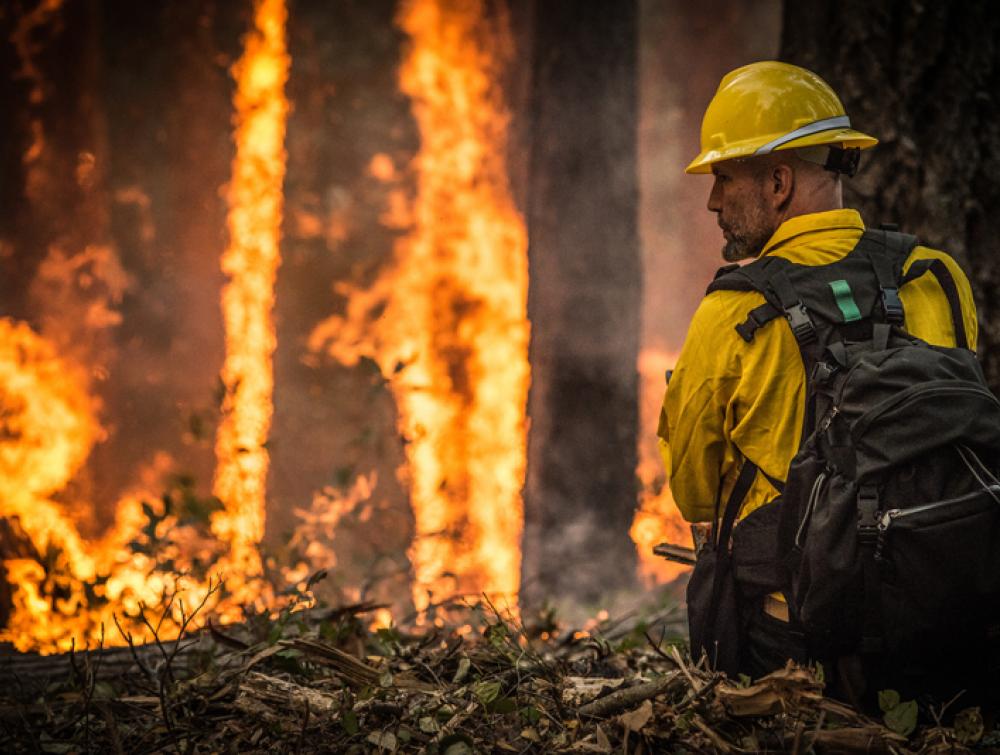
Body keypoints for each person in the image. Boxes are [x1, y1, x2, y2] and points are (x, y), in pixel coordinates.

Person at [657, 61, 979, 681]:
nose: (713, 200)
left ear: (778, 181)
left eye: (724, 177)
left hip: (798, 647)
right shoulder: (937, 275)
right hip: (946, 621)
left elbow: (694, 495)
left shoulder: (734, 312)